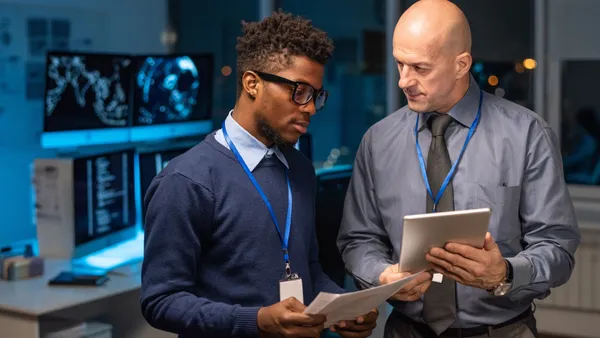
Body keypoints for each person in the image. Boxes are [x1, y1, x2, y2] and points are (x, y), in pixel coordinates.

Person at [337, 1, 581, 337]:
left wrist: (505, 273)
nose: (403, 81)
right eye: (399, 64)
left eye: (420, 68)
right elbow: (357, 239)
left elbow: (557, 246)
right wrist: (381, 275)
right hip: (404, 330)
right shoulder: (377, 141)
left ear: (461, 65)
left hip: (502, 330)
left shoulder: (527, 135)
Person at [140, 11, 378, 338]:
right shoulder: (186, 180)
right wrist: (258, 321)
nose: (309, 108)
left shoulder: (300, 169)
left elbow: (306, 269)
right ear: (252, 84)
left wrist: (344, 305)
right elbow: (160, 301)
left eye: (315, 95)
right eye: (299, 90)